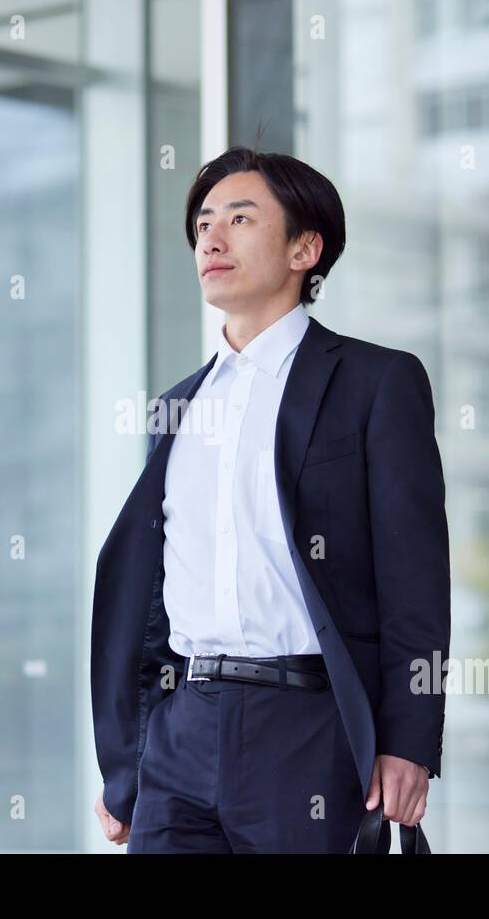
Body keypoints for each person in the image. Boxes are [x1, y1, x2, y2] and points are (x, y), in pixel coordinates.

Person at [90, 146, 450, 853]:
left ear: (304, 248)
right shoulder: (177, 407)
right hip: (182, 734)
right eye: (202, 225)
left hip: (309, 728)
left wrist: (409, 739)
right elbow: (153, 601)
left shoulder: (376, 383)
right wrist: (127, 762)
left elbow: (415, 578)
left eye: (240, 218)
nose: (212, 239)